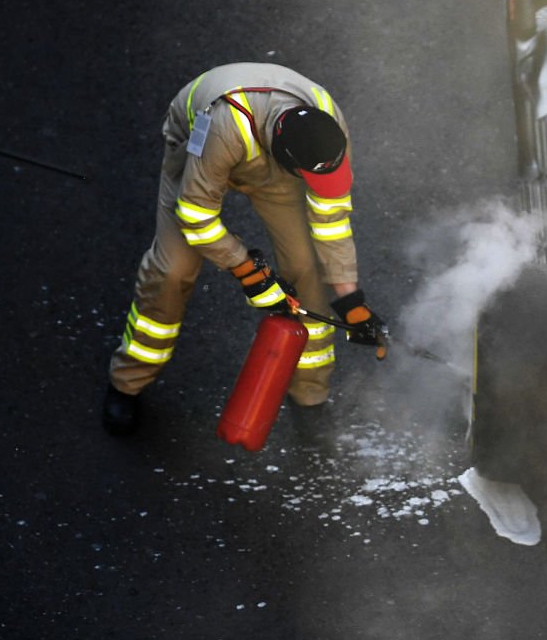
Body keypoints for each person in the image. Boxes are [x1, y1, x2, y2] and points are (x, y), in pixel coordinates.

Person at [102, 63, 388, 435]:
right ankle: (127, 383)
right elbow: (195, 214)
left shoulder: (327, 130)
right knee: (173, 271)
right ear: (290, 161)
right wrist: (250, 273)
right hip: (203, 144)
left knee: (306, 270)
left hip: (272, 162)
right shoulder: (225, 126)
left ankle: (310, 399)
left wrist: (350, 300)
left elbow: (330, 218)